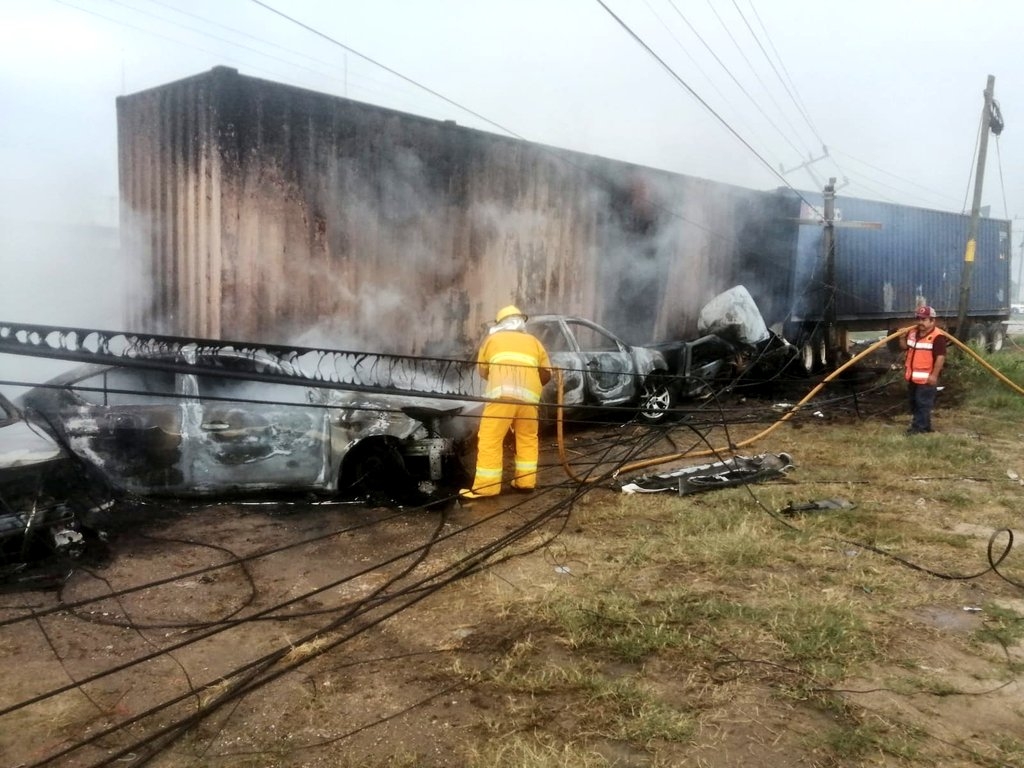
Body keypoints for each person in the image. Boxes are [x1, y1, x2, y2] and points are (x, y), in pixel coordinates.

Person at [460, 305, 552, 499]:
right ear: (521, 322)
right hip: (529, 401)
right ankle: (525, 483)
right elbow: (546, 374)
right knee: (527, 439)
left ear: (500, 324)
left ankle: (487, 487)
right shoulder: (534, 342)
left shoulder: (492, 340)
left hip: (502, 398)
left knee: (490, 439)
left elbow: (483, 370)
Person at [901, 305, 947, 435]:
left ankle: (917, 428)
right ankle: (926, 426)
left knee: (923, 403)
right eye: (919, 319)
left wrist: (934, 376)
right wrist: (901, 337)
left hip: (927, 378)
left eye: (924, 319)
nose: (920, 322)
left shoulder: (937, 337)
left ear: (932, 321)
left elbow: (940, 358)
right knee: (915, 403)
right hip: (912, 377)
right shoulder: (913, 333)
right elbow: (905, 348)